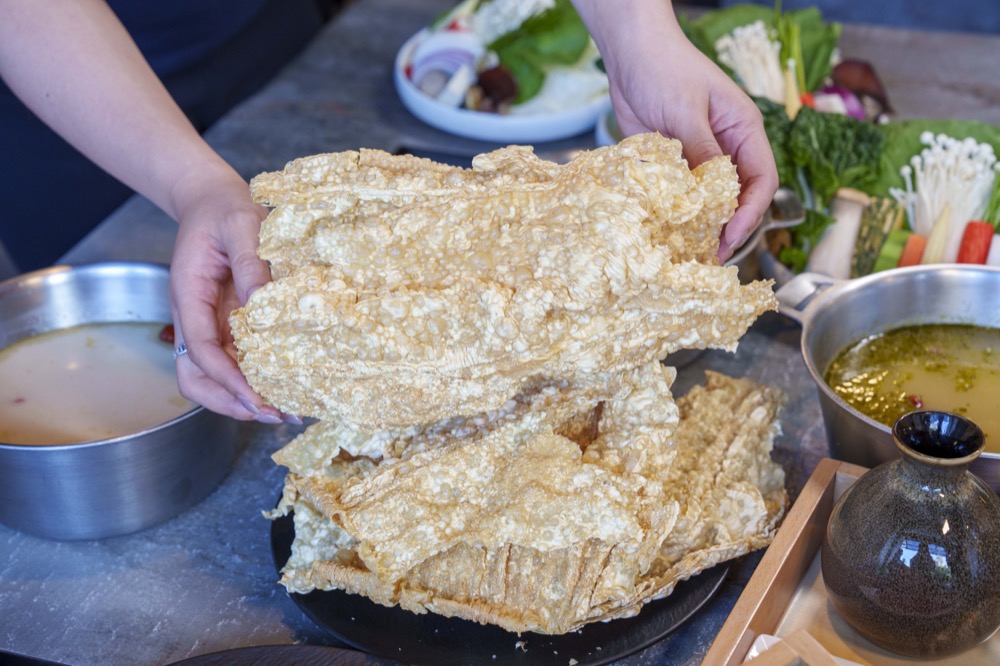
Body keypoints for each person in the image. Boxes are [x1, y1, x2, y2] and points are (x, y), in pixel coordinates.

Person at [0, 0, 777, 425]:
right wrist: (191, 181)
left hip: (265, 32)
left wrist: (637, 31)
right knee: (213, 321)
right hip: (77, 95)